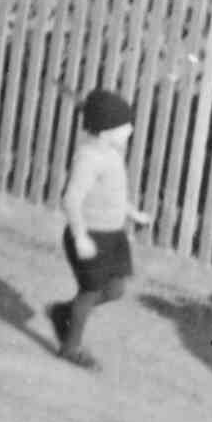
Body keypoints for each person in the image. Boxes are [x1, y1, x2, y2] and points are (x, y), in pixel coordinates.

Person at [50, 87, 150, 369]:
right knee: (90, 293)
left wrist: (133, 213)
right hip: (90, 235)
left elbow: (113, 193)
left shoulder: (112, 153)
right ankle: (70, 348)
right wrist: (80, 236)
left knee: (116, 289)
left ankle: (65, 313)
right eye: (125, 126)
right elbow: (71, 199)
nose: (130, 129)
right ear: (106, 131)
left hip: (113, 236)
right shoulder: (88, 157)